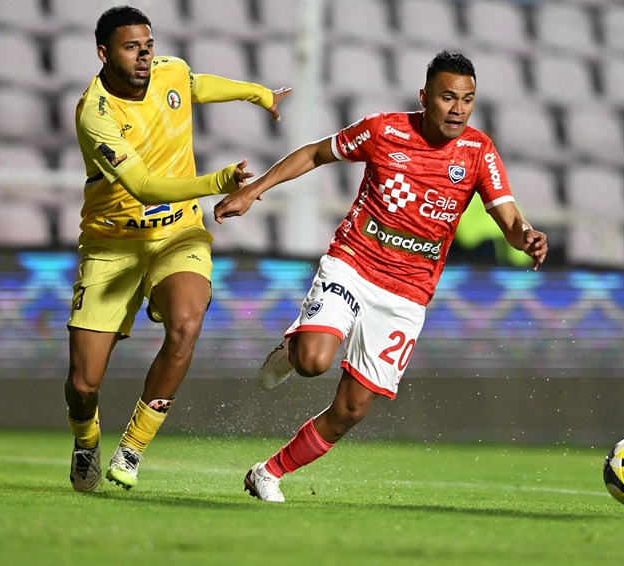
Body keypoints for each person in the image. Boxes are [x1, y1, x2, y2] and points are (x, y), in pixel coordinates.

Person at [214, 50, 548, 502]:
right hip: (354, 263)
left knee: (351, 409)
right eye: (448, 97)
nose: (458, 109)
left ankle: (267, 472)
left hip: (408, 295)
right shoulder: (384, 130)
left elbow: (508, 218)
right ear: (425, 96)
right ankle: (293, 351)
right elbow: (315, 153)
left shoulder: (478, 152)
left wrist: (526, 235)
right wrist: (254, 191)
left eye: (467, 99)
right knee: (314, 361)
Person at [65, 5, 292, 493]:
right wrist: (218, 181)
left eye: (147, 45)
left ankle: (131, 449)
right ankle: (86, 441)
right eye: (131, 47)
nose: (145, 55)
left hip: (177, 234)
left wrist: (260, 94)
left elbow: (194, 84)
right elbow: (144, 186)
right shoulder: (95, 114)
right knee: (84, 384)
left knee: (186, 323)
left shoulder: (170, 69)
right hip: (113, 244)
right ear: (104, 53)